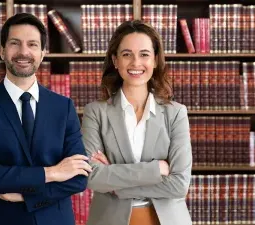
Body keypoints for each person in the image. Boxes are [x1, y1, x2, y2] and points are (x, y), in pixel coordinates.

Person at [0, 13, 91, 225]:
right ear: (2, 51)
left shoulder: (63, 107)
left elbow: (79, 178)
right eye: (15, 43)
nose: (24, 52)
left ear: (42, 53)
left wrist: (22, 195)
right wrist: (53, 173)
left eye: (32, 44)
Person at [81, 20, 192, 225]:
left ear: (156, 60)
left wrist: (115, 183)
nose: (135, 63)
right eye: (126, 54)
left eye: (144, 54)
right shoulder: (95, 112)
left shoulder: (176, 113)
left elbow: (179, 184)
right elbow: (92, 177)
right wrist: (155, 170)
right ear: (115, 60)